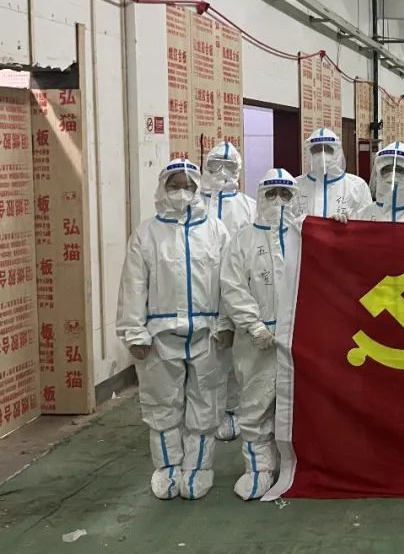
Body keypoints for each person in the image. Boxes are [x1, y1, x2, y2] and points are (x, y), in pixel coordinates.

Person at [116, 159, 231, 500]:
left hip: (207, 333)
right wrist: (134, 332)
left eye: (188, 186)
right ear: (162, 189)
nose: (182, 192)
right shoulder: (147, 233)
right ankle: (167, 467)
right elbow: (133, 285)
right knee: (162, 406)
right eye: (174, 186)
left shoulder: (216, 230)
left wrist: (226, 323)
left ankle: (198, 468)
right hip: (160, 336)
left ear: (198, 189)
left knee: (205, 405)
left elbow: (229, 281)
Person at [219, 168, 302, 500]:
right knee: (255, 404)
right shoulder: (243, 239)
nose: (278, 200)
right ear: (260, 196)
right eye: (272, 193)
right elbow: (232, 286)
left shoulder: (305, 236)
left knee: (298, 404)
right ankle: (259, 468)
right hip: (258, 340)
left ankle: (296, 464)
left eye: (286, 193)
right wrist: (253, 325)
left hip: (299, 339)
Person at [201, 141, 257, 443]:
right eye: (214, 166)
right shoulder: (195, 204)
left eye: (229, 167)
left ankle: (233, 411)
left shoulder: (249, 206)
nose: (221, 172)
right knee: (204, 358)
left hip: (239, 290)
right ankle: (206, 412)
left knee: (237, 355)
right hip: (202, 292)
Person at [296, 128, 372, 219]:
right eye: (316, 149)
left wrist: (347, 222)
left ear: (337, 151)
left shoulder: (357, 186)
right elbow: (288, 220)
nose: (322, 154)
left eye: (328, 149)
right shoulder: (297, 186)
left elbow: (367, 221)